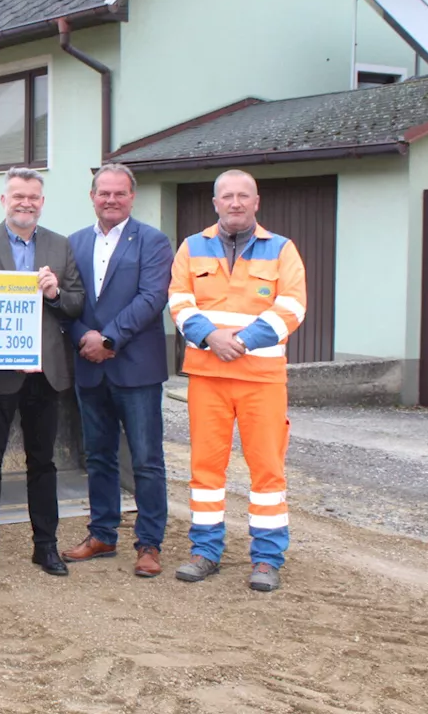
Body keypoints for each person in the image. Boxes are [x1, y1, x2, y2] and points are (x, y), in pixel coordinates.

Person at [168, 169, 307, 592]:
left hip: (261, 379)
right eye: (226, 196)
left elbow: (292, 308)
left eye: (243, 196)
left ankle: (266, 559)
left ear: (256, 201)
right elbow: (178, 300)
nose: (235, 203)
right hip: (207, 376)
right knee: (205, 469)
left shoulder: (282, 250)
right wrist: (210, 336)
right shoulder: (192, 247)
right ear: (215, 203)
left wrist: (242, 341)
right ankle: (205, 551)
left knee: (267, 470)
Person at [0, 167, 84, 577]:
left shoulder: (60, 246)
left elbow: (75, 304)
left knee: (42, 461)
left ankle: (45, 545)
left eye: (33, 197)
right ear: (4, 200)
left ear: (42, 202)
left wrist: (54, 294)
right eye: (18, 196)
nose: (25, 203)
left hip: (44, 372)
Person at [61, 164, 174, 577]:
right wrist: (81, 338)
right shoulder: (72, 243)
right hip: (89, 367)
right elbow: (66, 302)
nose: (111, 200)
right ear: (92, 196)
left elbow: (152, 297)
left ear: (132, 197)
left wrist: (108, 338)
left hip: (135, 367)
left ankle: (149, 543)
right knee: (99, 457)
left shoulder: (153, 241)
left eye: (119, 193)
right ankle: (102, 533)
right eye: (103, 193)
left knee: (146, 460)